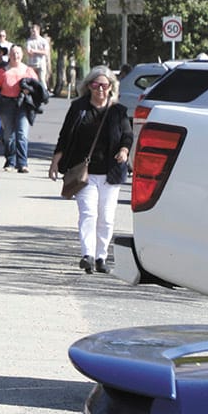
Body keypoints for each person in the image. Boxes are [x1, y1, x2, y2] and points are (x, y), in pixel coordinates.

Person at [49, 66, 133, 274]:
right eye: (95, 85)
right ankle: (88, 255)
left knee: (106, 217)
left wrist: (124, 150)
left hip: (111, 173)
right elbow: (65, 136)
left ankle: (101, 257)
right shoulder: (79, 108)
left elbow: (127, 135)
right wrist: (55, 161)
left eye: (104, 85)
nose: (100, 89)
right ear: (88, 86)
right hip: (84, 173)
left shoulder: (118, 111)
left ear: (111, 87)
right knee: (88, 213)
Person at [0, 43, 39, 173]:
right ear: (9, 55)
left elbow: (37, 88)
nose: (15, 56)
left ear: (22, 55)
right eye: (13, 53)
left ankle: (22, 163)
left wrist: (29, 91)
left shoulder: (28, 71)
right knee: (8, 135)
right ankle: (10, 162)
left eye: (18, 53)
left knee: (22, 133)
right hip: (6, 103)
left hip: (23, 104)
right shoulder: (2, 72)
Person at [25, 24, 51, 90]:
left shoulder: (43, 41)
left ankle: (45, 92)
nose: (33, 33)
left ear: (38, 31)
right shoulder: (29, 41)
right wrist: (40, 51)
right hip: (31, 64)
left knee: (42, 79)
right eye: (32, 31)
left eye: (34, 31)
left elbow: (46, 52)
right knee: (31, 80)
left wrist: (34, 51)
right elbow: (28, 52)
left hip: (41, 64)